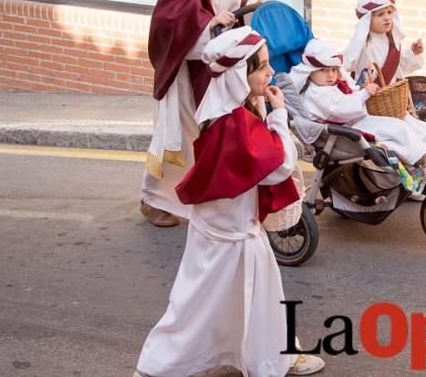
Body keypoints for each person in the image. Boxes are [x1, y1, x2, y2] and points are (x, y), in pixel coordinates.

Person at [134, 27, 325, 377]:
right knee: (204, 306)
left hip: (220, 230)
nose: (270, 73)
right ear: (240, 74)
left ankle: (272, 354)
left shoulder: (222, 113)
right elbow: (279, 165)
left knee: (223, 301)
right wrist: (278, 114)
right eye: (262, 67)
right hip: (232, 235)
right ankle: (160, 365)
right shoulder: (236, 122)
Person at [140, 0, 261, 227]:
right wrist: (209, 24)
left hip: (215, 63)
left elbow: (226, 4)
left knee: (210, 131)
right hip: (187, 69)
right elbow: (173, 21)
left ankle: (206, 195)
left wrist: (247, 8)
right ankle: (154, 200)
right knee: (179, 132)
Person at [289, 39, 426, 180]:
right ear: (310, 71)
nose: (330, 75)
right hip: (347, 130)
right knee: (396, 128)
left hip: (356, 120)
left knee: (404, 120)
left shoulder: (328, 85)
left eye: (334, 70)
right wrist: (363, 95)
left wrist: (361, 90)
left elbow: (349, 94)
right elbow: (340, 109)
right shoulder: (316, 93)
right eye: (324, 70)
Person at [343, 0, 423, 86]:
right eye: (380, 14)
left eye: (389, 12)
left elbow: (398, 68)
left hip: (389, 96)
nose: (387, 18)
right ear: (367, 20)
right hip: (366, 96)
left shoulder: (393, 41)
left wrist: (413, 52)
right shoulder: (360, 44)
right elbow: (344, 66)